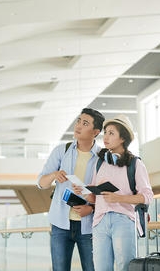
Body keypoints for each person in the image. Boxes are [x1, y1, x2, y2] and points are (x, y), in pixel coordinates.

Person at [73, 114, 153, 271]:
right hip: (100, 222)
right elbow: (95, 198)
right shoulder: (100, 163)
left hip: (123, 221)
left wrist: (119, 198)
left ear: (122, 138)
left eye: (111, 133)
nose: (106, 137)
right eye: (105, 132)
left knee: (125, 267)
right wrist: (84, 190)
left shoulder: (135, 164)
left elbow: (147, 196)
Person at [37, 108, 105, 271]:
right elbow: (41, 182)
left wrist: (91, 208)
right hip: (60, 224)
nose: (79, 125)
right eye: (79, 121)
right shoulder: (62, 150)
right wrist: (53, 174)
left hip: (89, 226)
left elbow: (106, 194)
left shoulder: (103, 157)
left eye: (85, 123)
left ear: (95, 131)